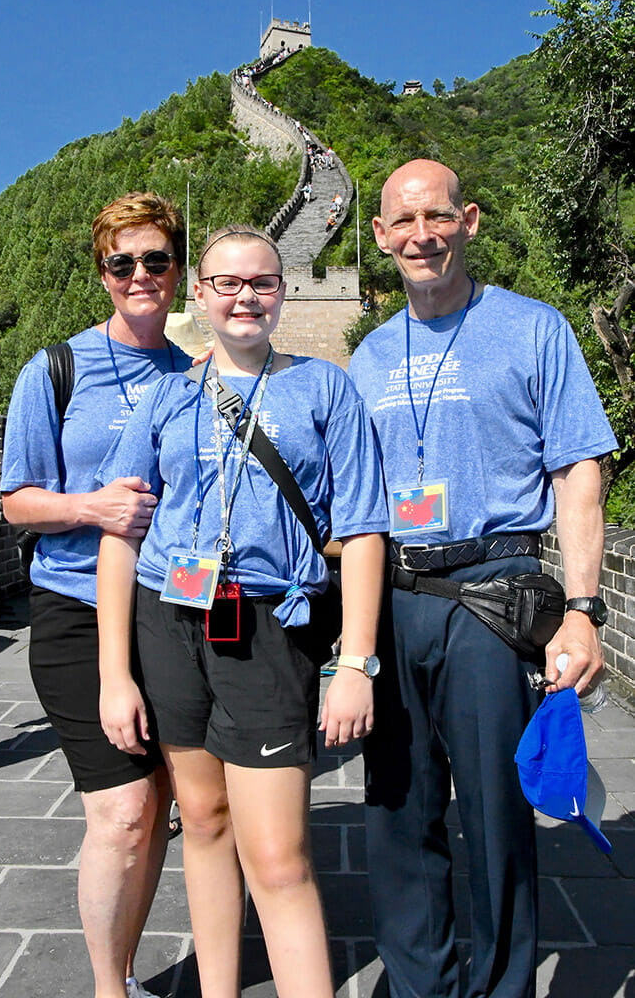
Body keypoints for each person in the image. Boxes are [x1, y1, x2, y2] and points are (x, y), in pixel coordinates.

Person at [95, 225, 388, 998]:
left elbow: (361, 529)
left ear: (283, 291)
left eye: (261, 282)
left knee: (280, 856)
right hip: (170, 619)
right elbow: (121, 535)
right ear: (202, 295)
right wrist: (113, 675)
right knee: (205, 818)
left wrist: (355, 662)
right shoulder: (166, 396)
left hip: (266, 627)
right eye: (227, 283)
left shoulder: (325, 388)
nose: (245, 296)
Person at [348, 159, 617, 998]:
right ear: (382, 237)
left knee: (495, 811)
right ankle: (421, 980)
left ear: (468, 221)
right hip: (395, 595)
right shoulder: (368, 353)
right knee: (398, 808)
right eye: (402, 221)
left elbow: (579, 469)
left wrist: (583, 609)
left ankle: (501, 984)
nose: (420, 235)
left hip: (491, 593)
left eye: (437, 216)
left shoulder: (536, 329)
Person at [0, 191, 192, 998]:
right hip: (76, 610)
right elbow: (16, 500)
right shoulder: (57, 368)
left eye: (156, 259)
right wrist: (91, 507)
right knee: (117, 814)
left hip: (168, 611)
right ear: (102, 273)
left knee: (155, 810)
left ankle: (124, 967)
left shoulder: (197, 373)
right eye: (123, 262)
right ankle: (108, 988)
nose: (140, 274)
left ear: (178, 269)